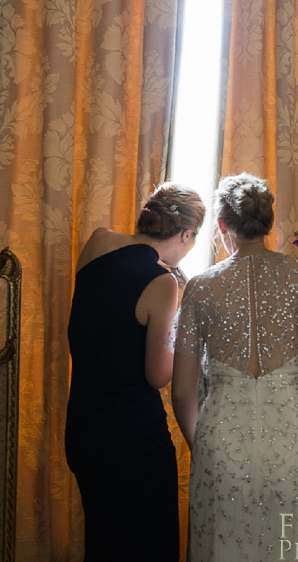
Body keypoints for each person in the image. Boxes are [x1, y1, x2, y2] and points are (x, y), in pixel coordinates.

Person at [172, 173, 298, 562]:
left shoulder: (200, 288)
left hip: (221, 440)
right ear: (269, 223)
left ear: (222, 225)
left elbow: (181, 390)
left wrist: (204, 445)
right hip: (291, 440)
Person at [65, 182, 205, 562]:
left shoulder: (98, 241)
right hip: (132, 444)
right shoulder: (162, 284)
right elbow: (158, 375)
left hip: (83, 433)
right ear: (186, 234)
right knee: (148, 548)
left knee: (103, 544)